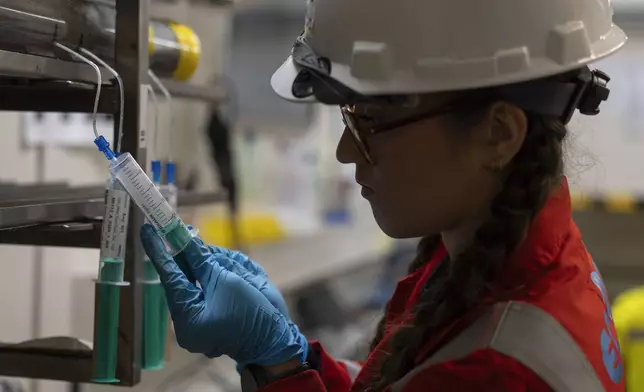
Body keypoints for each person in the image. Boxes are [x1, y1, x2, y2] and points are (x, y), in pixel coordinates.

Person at [140, 0, 629, 391]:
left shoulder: (498, 371)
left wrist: (280, 369)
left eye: (370, 120)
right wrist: (283, 356)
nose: (345, 150)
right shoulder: (495, 251)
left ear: (498, 134)